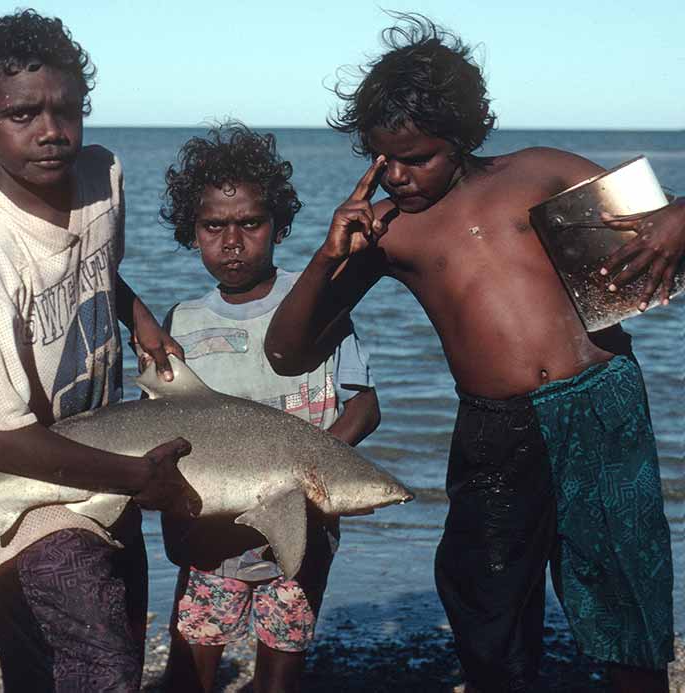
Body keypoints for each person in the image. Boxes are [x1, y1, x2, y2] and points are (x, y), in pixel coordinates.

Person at [265, 15, 682, 693]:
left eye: (417, 157)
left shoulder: (537, 173)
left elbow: (660, 228)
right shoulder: (386, 233)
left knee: (624, 576)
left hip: (601, 404)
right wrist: (327, 252)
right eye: (381, 158)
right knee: (484, 588)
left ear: (463, 137)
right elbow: (286, 348)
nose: (397, 175)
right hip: (495, 428)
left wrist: (680, 211)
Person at [0, 10, 198, 692]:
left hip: (102, 459)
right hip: (19, 498)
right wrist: (136, 478)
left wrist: (137, 312)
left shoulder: (101, 175)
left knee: (115, 644)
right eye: (22, 114)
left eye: (67, 109)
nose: (51, 131)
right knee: (98, 668)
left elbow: (95, 268)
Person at [156, 124, 380, 692]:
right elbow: (154, 426)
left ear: (278, 226)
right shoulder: (182, 323)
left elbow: (365, 405)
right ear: (192, 233)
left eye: (250, 224)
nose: (232, 242)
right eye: (213, 227)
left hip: (301, 526)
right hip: (213, 528)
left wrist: (311, 466)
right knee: (192, 666)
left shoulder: (319, 306)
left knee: (281, 671)